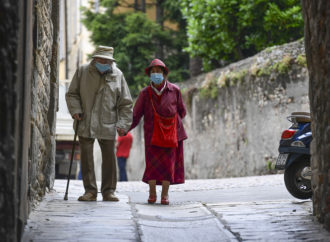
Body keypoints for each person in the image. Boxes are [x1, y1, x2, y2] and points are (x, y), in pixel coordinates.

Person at [66, 46, 133, 202]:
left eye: (107, 60)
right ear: (95, 59)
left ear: (111, 61)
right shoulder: (83, 71)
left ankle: (109, 191)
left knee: (109, 158)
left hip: (107, 122)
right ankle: (90, 191)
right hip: (85, 121)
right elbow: (72, 94)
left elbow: (125, 103)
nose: (104, 63)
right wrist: (76, 110)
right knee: (86, 158)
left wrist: (123, 123)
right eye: (101, 59)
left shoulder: (118, 75)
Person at [129, 59, 187, 205]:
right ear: (149, 75)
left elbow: (182, 111)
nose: (156, 74)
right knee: (152, 166)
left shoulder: (175, 90)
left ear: (164, 74)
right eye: (153, 72)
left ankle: (165, 195)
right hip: (151, 135)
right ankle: (152, 193)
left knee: (168, 165)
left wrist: (170, 124)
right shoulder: (145, 93)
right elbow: (136, 115)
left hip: (171, 135)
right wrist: (125, 128)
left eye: (159, 71)